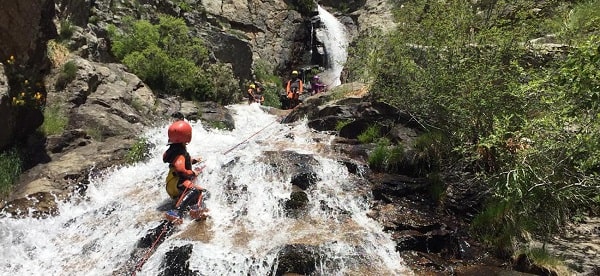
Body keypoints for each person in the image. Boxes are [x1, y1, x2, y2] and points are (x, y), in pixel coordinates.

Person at [163, 120, 208, 224]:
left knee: (194, 193)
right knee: (198, 191)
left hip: (171, 184)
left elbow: (178, 162)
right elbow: (180, 168)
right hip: (179, 183)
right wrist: (192, 173)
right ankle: (177, 212)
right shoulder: (180, 152)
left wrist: (193, 161)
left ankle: (194, 209)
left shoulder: (173, 149)